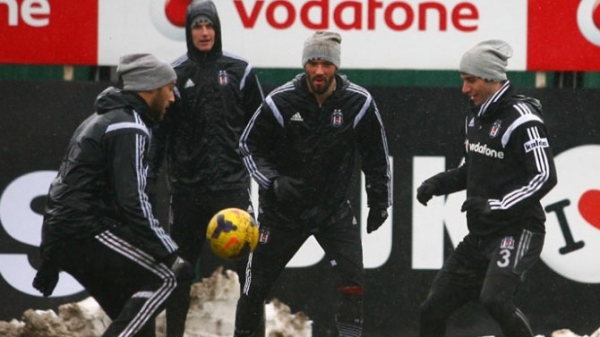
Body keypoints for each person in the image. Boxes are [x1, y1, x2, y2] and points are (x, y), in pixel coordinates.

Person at [234, 31, 392, 337]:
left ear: (336, 67)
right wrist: (274, 182)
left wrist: (380, 201)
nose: (319, 71)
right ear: (305, 64)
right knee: (254, 288)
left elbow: (376, 155)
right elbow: (248, 146)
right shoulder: (280, 101)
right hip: (282, 213)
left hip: (332, 212)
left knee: (353, 284)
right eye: (313, 62)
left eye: (326, 64)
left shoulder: (358, 102)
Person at [32, 53, 193, 337]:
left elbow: (61, 188)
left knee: (137, 321)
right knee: (168, 277)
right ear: (151, 87)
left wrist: (50, 256)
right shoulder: (127, 125)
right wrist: (167, 250)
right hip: (85, 231)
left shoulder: (99, 119)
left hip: (69, 234)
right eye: (170, 88)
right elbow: (132, 200)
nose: (173, 98)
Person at [416, 40, 557, 337]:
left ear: (492, 79)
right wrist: (438, 184)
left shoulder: (523, 118)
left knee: (495, 300)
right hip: (480, 236)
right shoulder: (475, 115)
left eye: (470, 80)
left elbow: (545, 176)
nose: (464, 89)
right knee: (431, 310)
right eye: (463, 80)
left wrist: (497, 204)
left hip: (518, 230)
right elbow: (470, 169)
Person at [148, 0, 264, 333]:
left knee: (249, 272)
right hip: (187, 192)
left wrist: (264, 174)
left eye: (209, 26)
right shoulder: (175, 74)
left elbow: (263, 127)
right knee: (180, 270)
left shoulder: (241, 71)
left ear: (217, 29)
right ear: (188, 31)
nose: (203, 33)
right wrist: (150, 176)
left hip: (231, 189)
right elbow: (160, 134)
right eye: (197, 27)